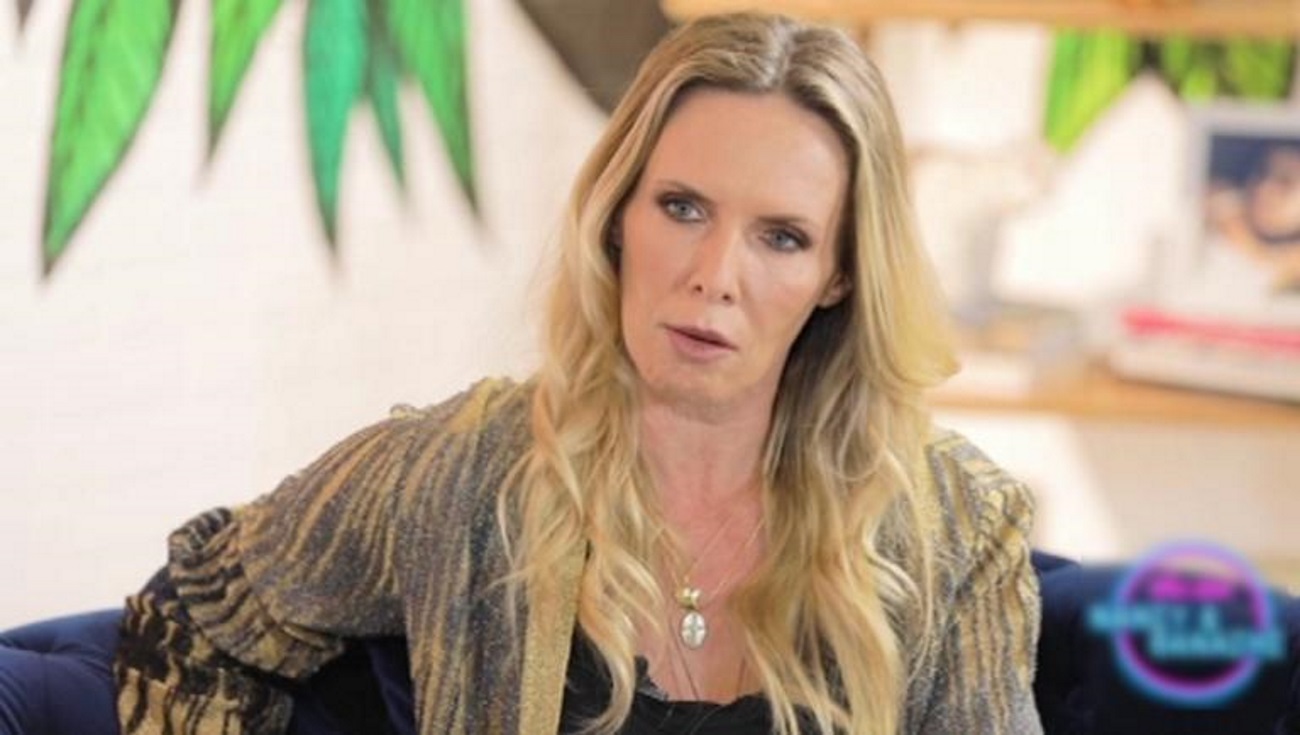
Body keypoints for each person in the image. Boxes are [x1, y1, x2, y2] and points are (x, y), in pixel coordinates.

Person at [114, 12, 1042, 735]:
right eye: (682, 207)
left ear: (840, 273)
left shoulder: (953, 524)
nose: (715, 275)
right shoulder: (465, 472)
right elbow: (196, 615)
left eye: (782, 237)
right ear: (617, 216)